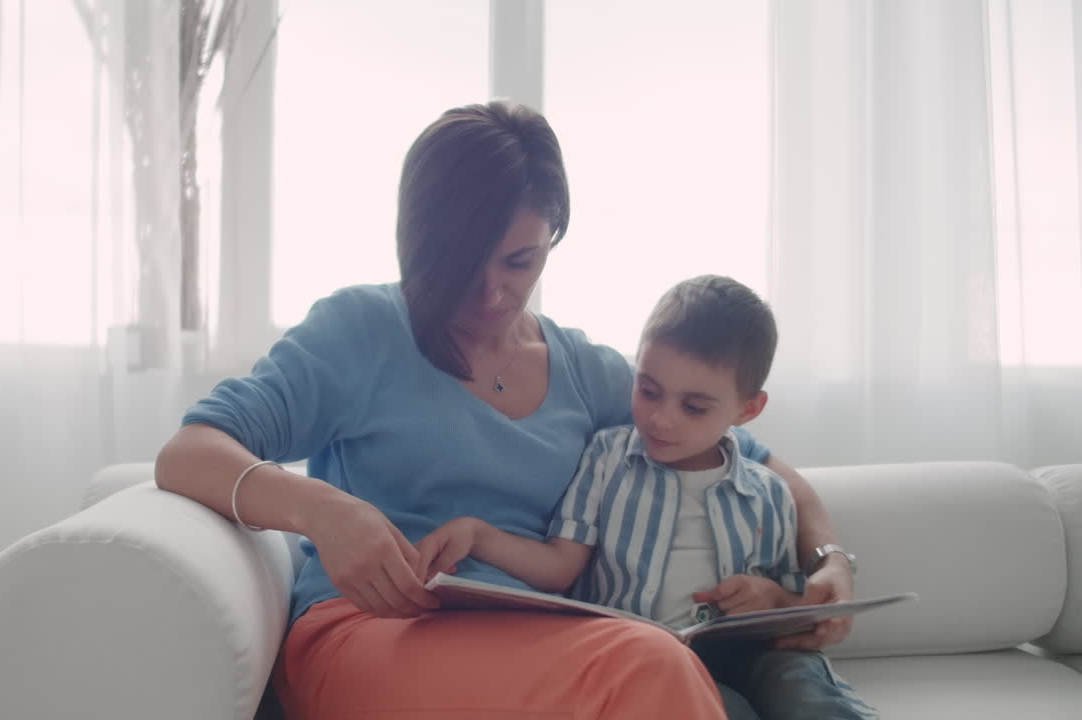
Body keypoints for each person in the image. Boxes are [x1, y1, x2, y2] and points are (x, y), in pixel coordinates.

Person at [154, 100, 857, 720]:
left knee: (655, 663)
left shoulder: (591, 374)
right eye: (465, 262)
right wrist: (321, 510)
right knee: (650, 668)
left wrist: (829, 563)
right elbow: (188, 453)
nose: (492, 293)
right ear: (419, 240)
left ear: (552, 240)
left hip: (546, 639)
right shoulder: (362, 330)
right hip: (369, 632)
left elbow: (761, 462)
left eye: (519, 262)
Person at [414, 275, 877, 719]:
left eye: (693, 407)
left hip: (753, 654)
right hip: (651, 660)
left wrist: (774, 599)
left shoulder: (769, 493)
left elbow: (799, 611)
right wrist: (479, 536)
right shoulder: (606, 458)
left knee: (802, 689)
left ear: (748, 409)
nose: (661, 419)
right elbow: (559, 566)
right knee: (711, 707)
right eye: (648, 390)